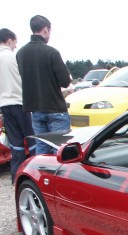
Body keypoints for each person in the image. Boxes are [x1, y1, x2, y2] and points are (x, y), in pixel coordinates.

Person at [16, 15, 71, 155]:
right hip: (55, 108)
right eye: (50, 31)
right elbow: (65, 81)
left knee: (42, 150)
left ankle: (42, 176)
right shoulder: (51, 52)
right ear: (46, 29)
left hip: (35, 109)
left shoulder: (20, 53)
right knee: (60, 151)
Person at [0, 28, 36, 183]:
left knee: (16, 143)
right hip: (20, 103)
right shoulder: (15, 56)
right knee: (32, 139)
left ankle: (15, 176)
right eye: (15, 42)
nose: (15, 45)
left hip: (4, 105)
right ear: (9, 40)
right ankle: (33, 174)